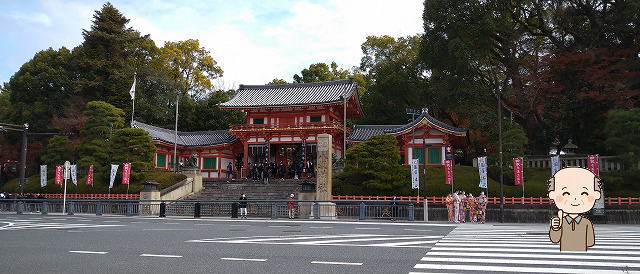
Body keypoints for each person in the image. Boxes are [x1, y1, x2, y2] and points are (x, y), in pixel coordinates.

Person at [548, 167, 601, 251]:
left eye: (584, 193)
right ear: (553, 195)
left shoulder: (585, 222)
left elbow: (555, 240)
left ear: (596, 195)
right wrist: (555, 228)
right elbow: (590, 242)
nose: (575, 198)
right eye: (566, 193)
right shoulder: (563, 221)